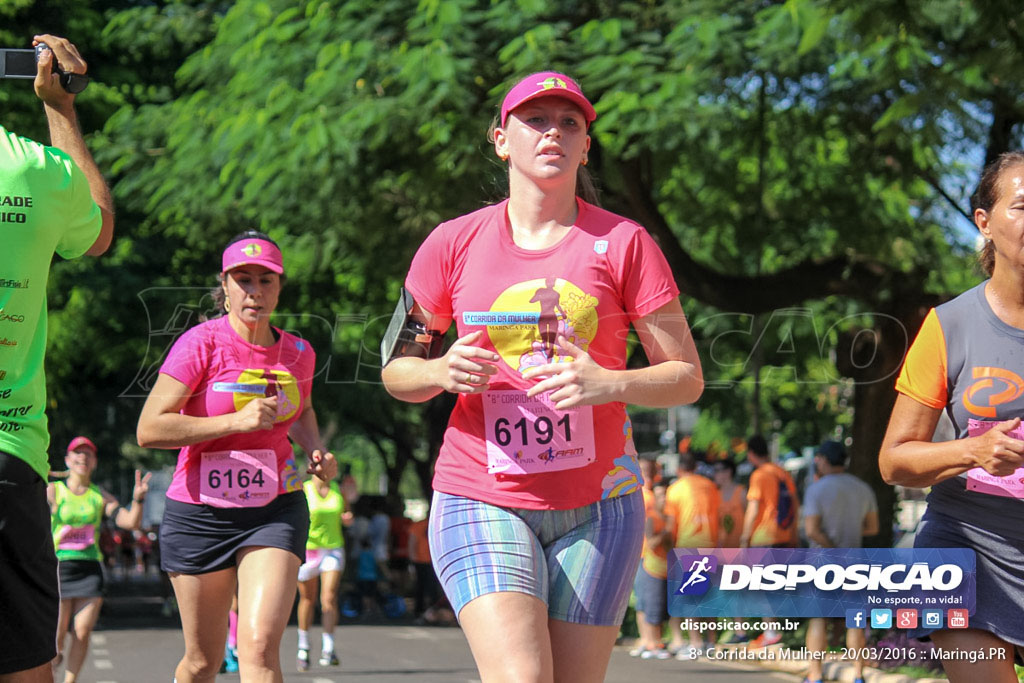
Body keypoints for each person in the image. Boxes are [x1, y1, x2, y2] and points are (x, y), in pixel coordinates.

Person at [381, 71, 703, 682]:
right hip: (482, 492)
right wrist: (440, 368)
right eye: (535, 121)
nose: (552, 132)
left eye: (569, 123)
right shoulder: (451, 244)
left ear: (586, 145)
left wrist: (609, 382)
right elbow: (397, 372)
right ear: (501, 140)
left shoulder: (625, 243)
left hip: (601, 504)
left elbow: (686, 377)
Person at [136, 230, 337, 683]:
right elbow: (150, 429)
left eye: (266, 280)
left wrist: (316, 448)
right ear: (224, 286)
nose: (255, 291)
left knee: (261, 650)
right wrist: (233, 423)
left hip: (275, 508)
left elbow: (302, 410)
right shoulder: (199, 345)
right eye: (243, 279)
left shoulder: (299, 353)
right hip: (200, 514)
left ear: (279, 287)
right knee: (202, 663)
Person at [880, 151, 1024, 682]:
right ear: (984, 222)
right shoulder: (948, 325)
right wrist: (975, 451)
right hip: (965, 552)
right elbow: (894, 462)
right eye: (1023, 206)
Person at [0, 33, 114, 682]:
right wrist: (61, 106)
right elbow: (97, 228)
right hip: (8, 451)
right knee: (25, 667)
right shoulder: (31, 170)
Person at [48, 436, 150, 683]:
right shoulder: (53, 490)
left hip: (89, 569)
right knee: (57, 637)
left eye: (88, 455)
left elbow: (130, 522)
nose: (82, 458)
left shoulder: (99, 495)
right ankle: (49, 670)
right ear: (67, 460)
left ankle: (69, 681)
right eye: (77, 454)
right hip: (58, 569)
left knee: (82, 632)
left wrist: (138, 499)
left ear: (94, 462)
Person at [801, 440, 878, 683]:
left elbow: (812, 530)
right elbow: (872, 527)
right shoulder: (862, 488)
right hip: (854, 560)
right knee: (855, 620)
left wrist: (833, 548)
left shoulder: (817, 489)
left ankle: (815, 675)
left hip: (823, 561)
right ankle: (858, 674)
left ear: (823, 460)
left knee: (818, 618)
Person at [735, 434, 799, 647]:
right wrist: (793, 534)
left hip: (763, 537)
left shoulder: (760, 475)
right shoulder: (782, 473)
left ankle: (771, 632)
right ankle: (776, 630)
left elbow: (753, 508)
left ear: (751, 454)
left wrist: (745, 537)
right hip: (783, 535)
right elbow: (794, 506)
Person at [664, 451, 720, 658]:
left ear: (679, 469)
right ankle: (711, 642)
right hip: (711, 544)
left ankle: (696, 644)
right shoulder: (710, 485)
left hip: (687, 545)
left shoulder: (675, 489)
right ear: (695, 467)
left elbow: (671, 526)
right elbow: (718, 515)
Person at [295, 474, 351, 671]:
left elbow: (346, 513)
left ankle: (329, 648)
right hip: (309, 549)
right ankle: (304, 646)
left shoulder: (338, 489)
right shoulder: (304, 489)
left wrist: (347, 518)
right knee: (307, 600)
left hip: (333, 548)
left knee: (329, 598)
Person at [629, 456, 671, 659]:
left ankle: (650, 641)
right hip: (644, 554)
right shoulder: (639, 494)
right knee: (647, 600)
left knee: (648, 600)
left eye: (649, 468)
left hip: (648, 554)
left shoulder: (650, 494)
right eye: (643, 468)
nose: (647, 472)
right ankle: (649, 641)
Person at [713, 457, 746, 548]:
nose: (714, 474)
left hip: (740, 547)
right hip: (721, 549)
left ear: (728, 472)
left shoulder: (741, 492)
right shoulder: (714, 494)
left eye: (717, 470)